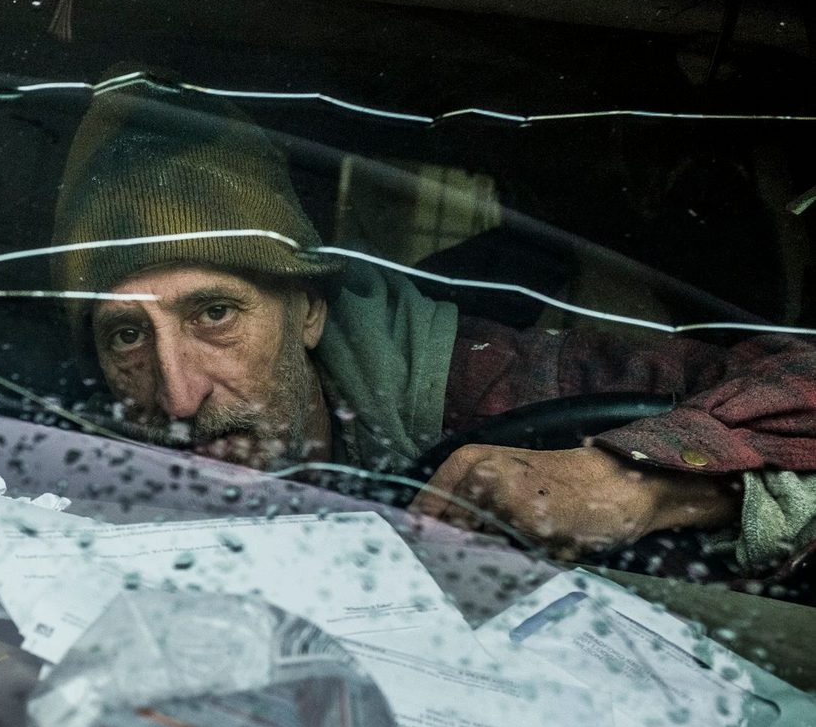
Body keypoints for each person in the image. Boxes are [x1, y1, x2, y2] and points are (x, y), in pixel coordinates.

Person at [50, 81, 816, 581]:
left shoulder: (494, 380)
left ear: (309, 310)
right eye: (127, 335)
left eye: (214, 314)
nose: (179, 396)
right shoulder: (51, 465)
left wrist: (630, 484)